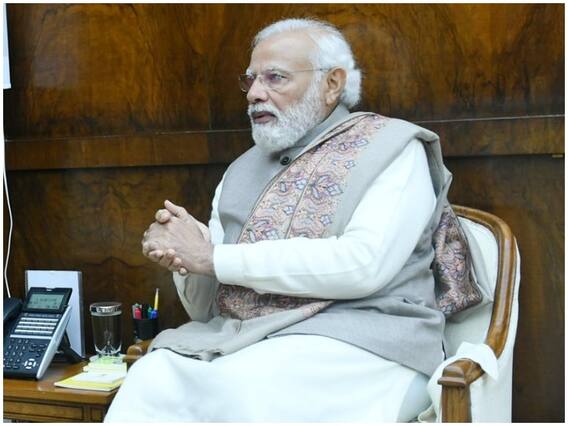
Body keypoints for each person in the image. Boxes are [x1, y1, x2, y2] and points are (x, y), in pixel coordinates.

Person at [105, 18, 456, 422]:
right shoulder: (240, 171)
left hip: (365, 342)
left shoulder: (394, 149)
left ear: (332, 84)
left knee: (243, 387)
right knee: (152, 375)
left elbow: (363, 266)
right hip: (248, 340)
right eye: (251, 79)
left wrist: (212, 257)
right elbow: (206, 311)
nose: (254, 93)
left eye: (275, 78)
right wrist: (185, 254)